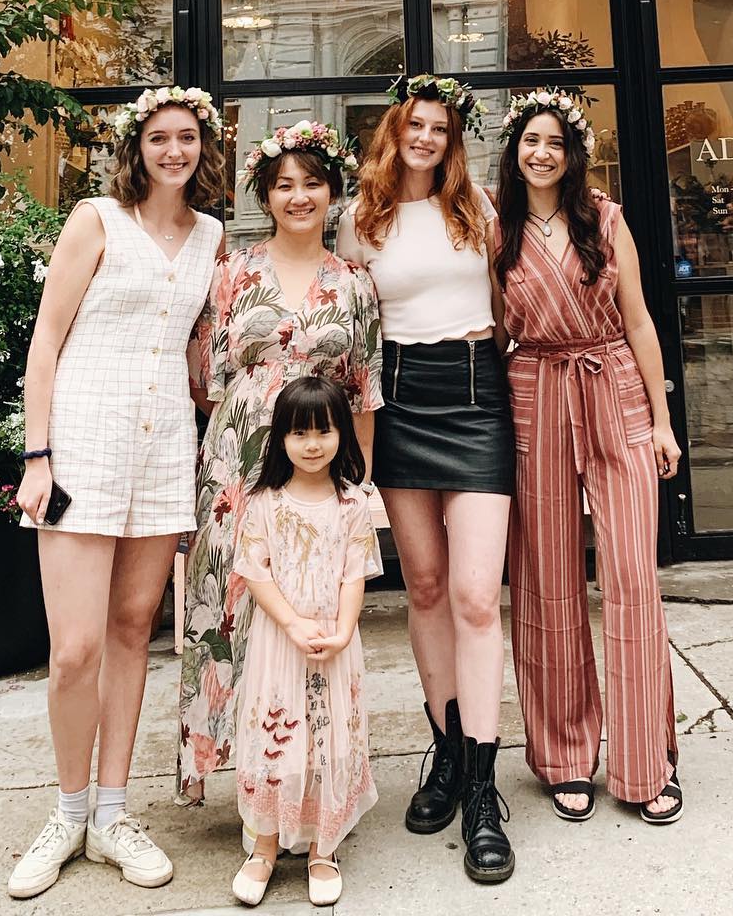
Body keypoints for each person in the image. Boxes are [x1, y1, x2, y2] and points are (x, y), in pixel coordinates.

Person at [9, 85, 227, 901]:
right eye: (159, 139)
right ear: (136, 148)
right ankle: (66, 813)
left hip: (164, 445)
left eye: (188, 139)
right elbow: (45, 341)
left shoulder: (209, 235)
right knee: (75, 649)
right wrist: (39, 456)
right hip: (83, 448)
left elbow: (204, 353)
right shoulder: (96, 220)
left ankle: (112, 812)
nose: (174, 152)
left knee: (135, 628)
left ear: (204, 150)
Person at [336, 72, 515, 886]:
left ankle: (482, 790)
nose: (428, 138)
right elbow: (345, 325)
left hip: (477, 398)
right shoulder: (360, 220)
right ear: (395, 130)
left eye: (442, 128)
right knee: (430, 590)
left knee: (478, 595)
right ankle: (446, 755)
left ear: (454, 139)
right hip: (400, 399)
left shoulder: (476, 210)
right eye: (417, 124)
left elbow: (516, 303)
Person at [493, 88, 683, 827]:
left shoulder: (604, 217)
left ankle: (646, 762)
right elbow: (487, 326)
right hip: (534, 386)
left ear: (572, 154)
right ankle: (565, 757)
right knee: (547, 580)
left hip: (615, 386)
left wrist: (662, 422)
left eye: (554, 142)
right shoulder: (495, 227)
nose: (540, 152)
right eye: (529, 140)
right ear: (514, 150)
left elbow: (638, 318)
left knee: (633, 573)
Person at [177, 121, 381, 806]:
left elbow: (364, 390)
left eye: (312, 183)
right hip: (240, 457)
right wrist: (227, 465)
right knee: (231, 602)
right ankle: (229, 762)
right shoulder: (234, 272)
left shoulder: (353, 282)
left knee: (310, 603)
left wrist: (361, 488)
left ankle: (306, 768)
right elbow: (211, 376)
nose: (299, 197)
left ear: (333, 192)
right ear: (266, 196)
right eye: (284, 186)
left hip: (323, 464)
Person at [229, 376, 383, 909]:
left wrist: (342, 631)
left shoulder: (353, 504)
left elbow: (353, 574)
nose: (313, 444)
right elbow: (256, 572)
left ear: (343, 433)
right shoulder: (266, 503)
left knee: (328, 736)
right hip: (280, 643)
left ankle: (323, 847)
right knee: (277, 735)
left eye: (325, 430)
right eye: (299, 433)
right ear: (281, 439)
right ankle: (265, 846)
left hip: (334, 647)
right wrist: (294, 624)